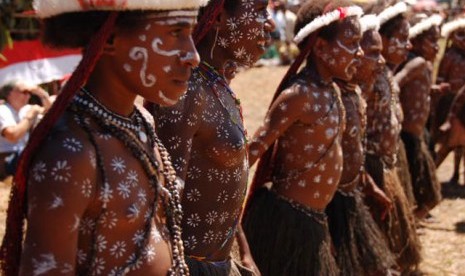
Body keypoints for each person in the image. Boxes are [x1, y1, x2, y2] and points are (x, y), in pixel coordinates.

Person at [0, 0, 206, 275]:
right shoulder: (71, 152)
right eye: (176, 33)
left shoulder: (142, 122)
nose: (193, 55)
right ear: (109, 38)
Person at [146, 0, 274, 275]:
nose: (270, 22)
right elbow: (166, 200)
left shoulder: (217, 85)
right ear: (218, 17)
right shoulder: (188, 92)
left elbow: (225, 183)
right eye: (261, 10)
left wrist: (244, 252)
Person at [242, 1, 364, 275]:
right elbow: (250, 154)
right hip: (288, 220)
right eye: (352, 43)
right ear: (320, 47)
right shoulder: (299, 96)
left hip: (315, 221)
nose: (360, 52)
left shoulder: (332, 91)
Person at [325, 14, 397, 275]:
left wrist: (370, 185)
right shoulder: (331, 99)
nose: (381, 61)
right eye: (373, 53)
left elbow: (352, 152)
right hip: (330, 206)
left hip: (351, 196)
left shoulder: (354, 94)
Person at [365, 2, 422, 272]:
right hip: (371, 171)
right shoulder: (369, 77)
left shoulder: (386, 73)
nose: (408, 46)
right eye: (401, 39)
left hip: (387, 166)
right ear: (382, 39)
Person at [396, 13, 443, 219]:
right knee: (427, 196)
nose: (436, 46)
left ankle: (411, 223)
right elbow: (396, 83)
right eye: (432, 41)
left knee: (424, 193)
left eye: (437, 40)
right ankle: (409, 224)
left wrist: (432, 89)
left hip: (416, 135)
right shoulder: (417, 64)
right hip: (407, 136)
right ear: (415, 42)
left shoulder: (423, 64)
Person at [434, 17, 465, 184]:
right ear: (452, 37)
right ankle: (431, 174)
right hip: (450, 103)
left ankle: (456, 174)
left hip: (463, 105)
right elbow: (440, 80)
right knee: (449, 142)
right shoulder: (450, 56)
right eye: (461, 35)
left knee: (461, 142)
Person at [0, 81, 51, 179]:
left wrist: (42, 94)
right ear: (10, 94)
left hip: (20, 156)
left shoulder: (25, 109)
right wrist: (29, 118)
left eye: (29, 93)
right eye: (24, 92)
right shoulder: (2, 110)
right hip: (5, 160)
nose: (28, 96)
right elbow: (12, 136)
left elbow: (51, 112)